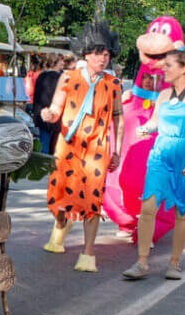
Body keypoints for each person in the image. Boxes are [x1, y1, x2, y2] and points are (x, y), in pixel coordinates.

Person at [40, 21, 124, 272]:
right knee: (58, 197)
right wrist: (49, 114)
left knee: (93, 199)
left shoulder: (113, 85)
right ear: (86, 53)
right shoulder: (68, 77)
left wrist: (117, 151)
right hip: (68, 145)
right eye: (99, 52)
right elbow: (56, 108)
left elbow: (119, 119)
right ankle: (61, 224)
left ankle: (88, 253)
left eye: (107, 53)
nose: (103, 58)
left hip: (97, 148)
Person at [122, 50, 185, 281]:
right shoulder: (163, 95)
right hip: (161, 154)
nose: (164, 69)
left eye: (169, 65)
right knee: (148, 206)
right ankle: (141, 262)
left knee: (182, 212)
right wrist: (145, 129)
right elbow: (154, 122)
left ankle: (175, 263)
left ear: (184, 68)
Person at [32, 53, 63, 154]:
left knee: (44, 142)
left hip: (41, 114)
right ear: (55, 63)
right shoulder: (59, 78)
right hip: (55, 115)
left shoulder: (41, 76)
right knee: (55, 146)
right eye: (60, 61)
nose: (62, 63)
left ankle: (43, 164)